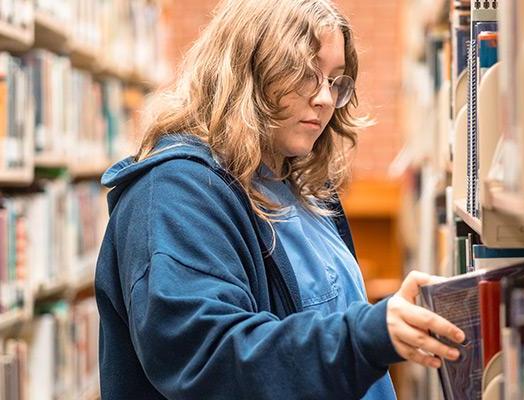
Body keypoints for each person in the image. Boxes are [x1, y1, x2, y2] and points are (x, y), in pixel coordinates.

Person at [95, 0, 465, 399]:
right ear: (248, 70)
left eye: (335, 80)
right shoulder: (174, 195)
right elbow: (209, 360)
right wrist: (366, 335)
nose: (324, 98)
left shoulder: (298, 185)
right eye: (306, 74)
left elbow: (320, 319)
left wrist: (390, 319)